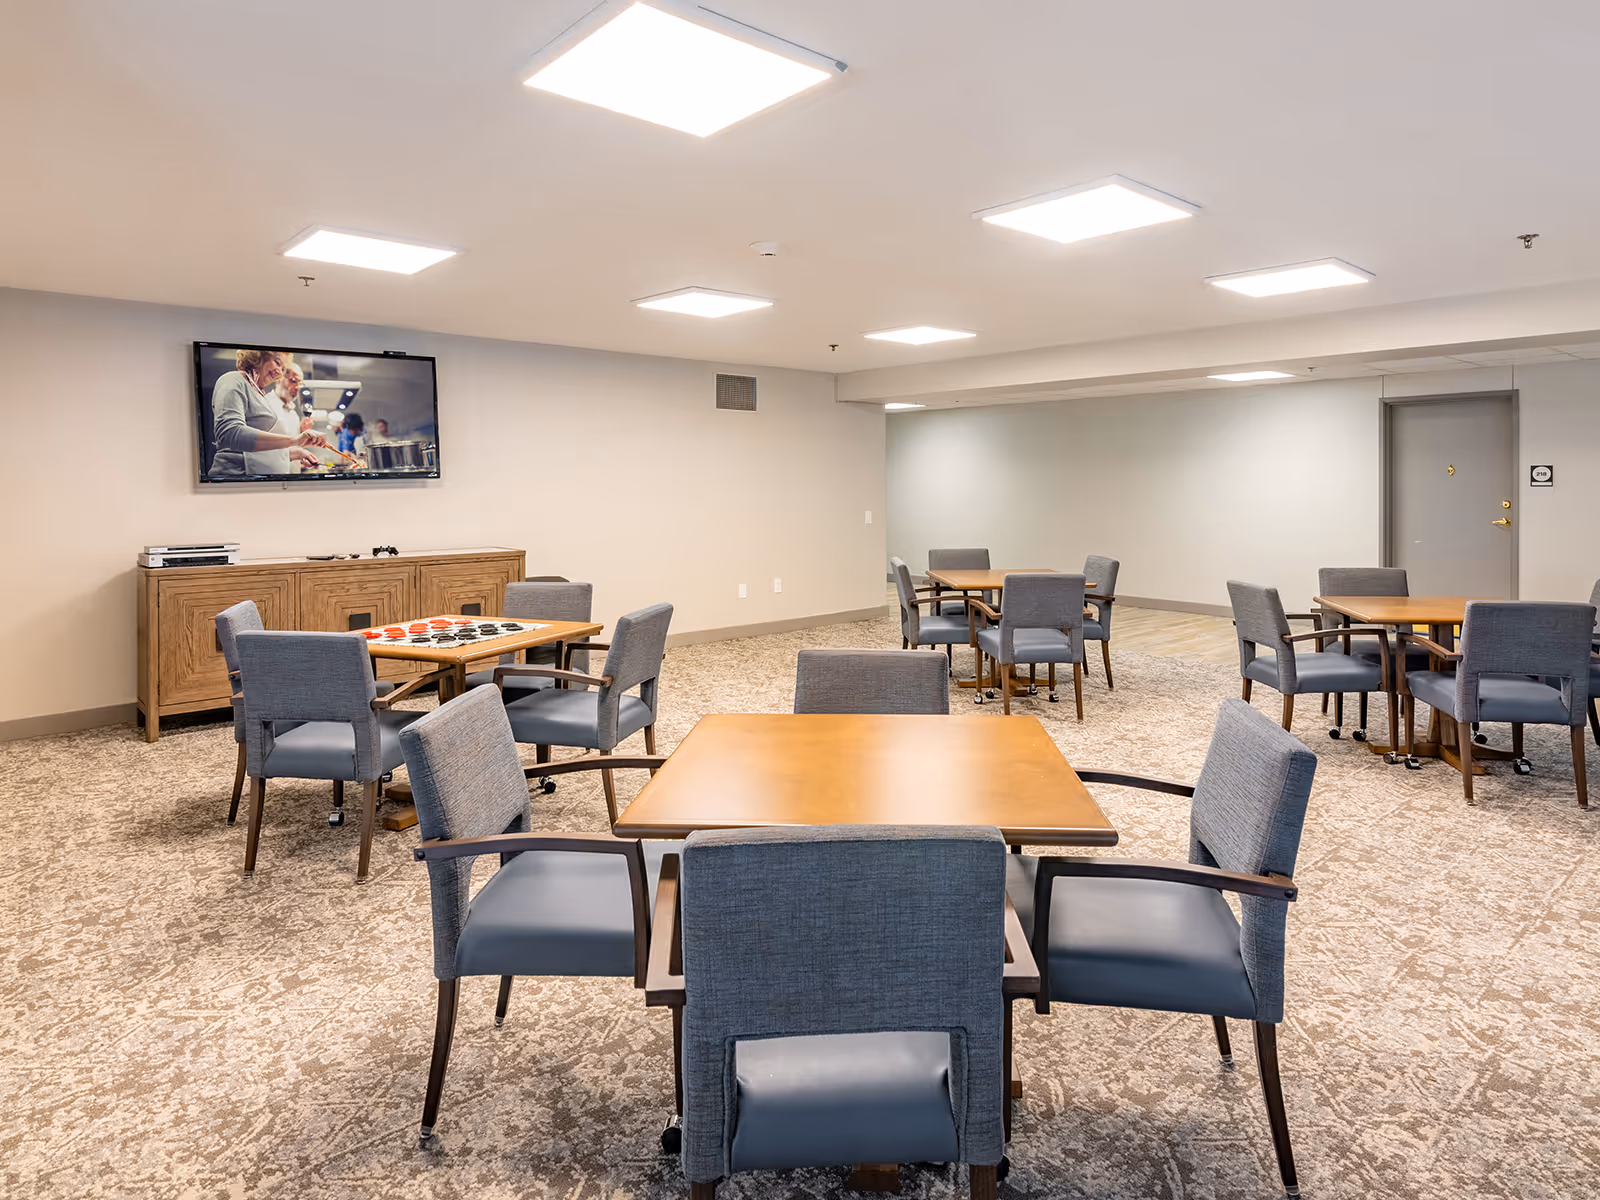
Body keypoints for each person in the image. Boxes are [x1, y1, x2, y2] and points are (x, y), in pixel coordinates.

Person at [209, 350, 325, 476]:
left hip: (261, 482)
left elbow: (262, 452)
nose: (279, 372)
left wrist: (299, 453)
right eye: (277, 362)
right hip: (237, 479)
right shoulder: (233, 379)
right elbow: (229, 433)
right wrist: (294, 440)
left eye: (282, 368)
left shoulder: (260, 395)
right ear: (258, 356)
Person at [246, 361, 322, 475]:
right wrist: (299, 453)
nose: (297, 387)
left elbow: (290, 446)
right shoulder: (266, 406)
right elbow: (261, 450)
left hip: (292, 478)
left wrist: (302, 434)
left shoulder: (293, 414)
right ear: (278, 379)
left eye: (300, 384)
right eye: (293, 381)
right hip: (271, 479)